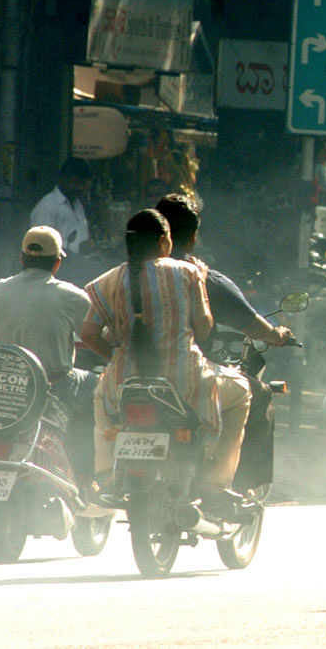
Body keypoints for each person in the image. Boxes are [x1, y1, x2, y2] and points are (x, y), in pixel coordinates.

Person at [79, 209, 252, 507]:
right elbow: (204, 327)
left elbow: (89, 333)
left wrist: (118, 356)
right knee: (243, 393)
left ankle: (107, 474)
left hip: (124, 384)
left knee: (100, 397)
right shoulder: (187, 272)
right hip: (185, 381)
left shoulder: (109, 280)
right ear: (163, 242)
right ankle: (215, 483)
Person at [154, 193, 294, 488]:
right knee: (254, 393)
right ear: (192, 237)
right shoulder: (201, 278)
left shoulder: (125, 275)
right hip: (188, 376)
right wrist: (278, 334)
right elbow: (248, 323)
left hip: (130, 377)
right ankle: (230, 486)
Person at [0, 226, 98, 481]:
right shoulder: (72, 296)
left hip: (3, 390)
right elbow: (96, 336)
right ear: (57, 263)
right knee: (97, 387)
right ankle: (88, 477)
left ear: (22, 259)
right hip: (54, 385)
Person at [30, 158, 92, 255]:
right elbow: (42, 247)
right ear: (62, 179)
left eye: (82, 183)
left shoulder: (77, 204)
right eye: (75, 182)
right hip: (59, 266)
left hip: (81, 263)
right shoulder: (48, 206)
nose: (79, 187)